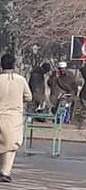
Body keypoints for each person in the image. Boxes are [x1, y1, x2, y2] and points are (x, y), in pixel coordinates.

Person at [0, 54, 32, 182]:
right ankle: (5, 172)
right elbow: (28, 97)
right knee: (11, 145)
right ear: (14, 65)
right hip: (13, 117)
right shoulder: (21, 80)